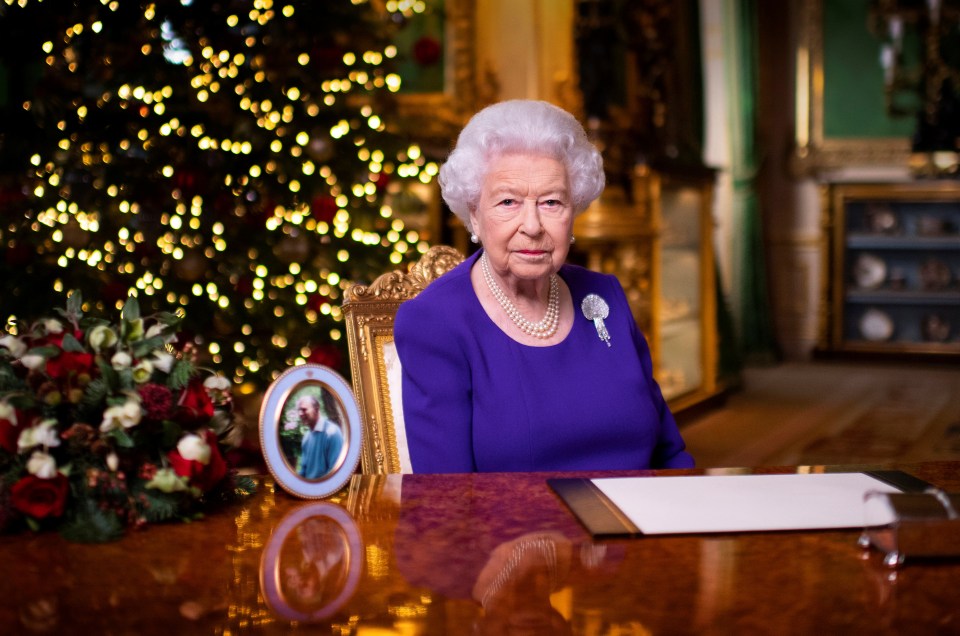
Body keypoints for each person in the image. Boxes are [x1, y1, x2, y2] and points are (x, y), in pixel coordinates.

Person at [394, 99, 694, 473]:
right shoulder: (435, 322)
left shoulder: (606, 296)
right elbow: (447, 501)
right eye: (508, 201)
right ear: (474, 213)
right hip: (517, 532)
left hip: (638, 524)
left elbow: (670, 454)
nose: (533, 225)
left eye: (552, 202)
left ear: (574, 213)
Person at [297, 394, 344, 479]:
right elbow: (304, 470)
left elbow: (335, 472)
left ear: (316, 409)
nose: (300, 414)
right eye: (299, 410)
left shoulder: (332, 433)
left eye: (304, 410)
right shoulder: (306, 438)